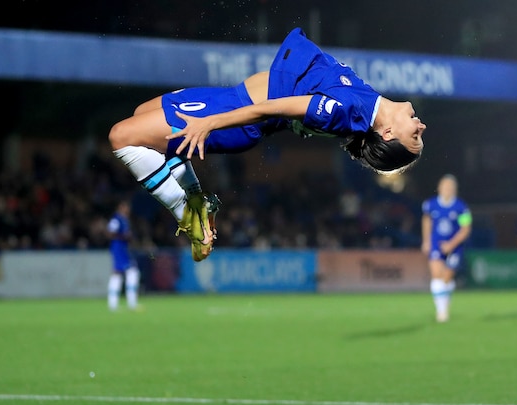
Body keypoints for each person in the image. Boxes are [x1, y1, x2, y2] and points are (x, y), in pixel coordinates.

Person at [109, 27, 427, 262]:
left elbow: (271, 109)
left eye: (415, 136)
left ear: (388, 134)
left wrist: (211, 123)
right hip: (231, 98)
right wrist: (304, 126)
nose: (421, 126)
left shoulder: (348, 112)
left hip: (233, 115)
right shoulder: (367, 102)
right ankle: (196, 199)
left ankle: (186, 213)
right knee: (142, 115)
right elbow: (306, 116)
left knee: (121, 136)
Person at [421, 175, 471, 323]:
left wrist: (451, 244)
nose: (448, 190)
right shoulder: (430, 205)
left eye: (451, 187)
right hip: (436, 244)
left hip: (455, 247)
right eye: (445, 187)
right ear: (440, 188)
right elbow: (426, 221)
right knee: (436, 274)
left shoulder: (462, 207)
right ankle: (441, 312)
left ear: (455, 190)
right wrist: (426, 241)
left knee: (447, 278)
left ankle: (445, 298)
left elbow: (466, 229)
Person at [107, 201, 140, 311]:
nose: (128, 210)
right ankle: (124, 303)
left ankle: (118, 303)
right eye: (126, 207)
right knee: (125, 272)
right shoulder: (116, 219)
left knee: (126, 272)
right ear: (121, 207)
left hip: (123, 249)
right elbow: (110, 233)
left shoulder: (124, 219)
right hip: (118, 249)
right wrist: (124, 236)